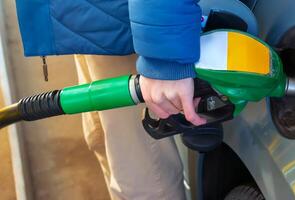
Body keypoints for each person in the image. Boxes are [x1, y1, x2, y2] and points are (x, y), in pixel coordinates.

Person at [15, 0, 205, 199]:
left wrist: (165, 57)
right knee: (102, 142)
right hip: (92, 20)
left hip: (135, 28)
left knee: (144, 181)